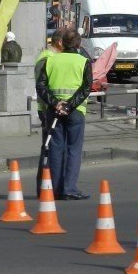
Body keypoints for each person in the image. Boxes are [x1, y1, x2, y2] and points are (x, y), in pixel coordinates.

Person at [35, 28, 93, 201]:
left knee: (55, 149)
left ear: (63, 43)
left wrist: (55, 103)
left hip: (54, 111)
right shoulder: (83, 62)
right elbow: (87, 87)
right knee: (73, 150)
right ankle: (69, 188)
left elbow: (41, 86)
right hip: (75, 112)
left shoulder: (51, 60)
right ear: (78, 43)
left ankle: (54, 188)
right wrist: (70, 105)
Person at [33, 31, 64, 195]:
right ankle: (43, 187)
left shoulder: (49, 57)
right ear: (59, 42)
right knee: (48, 148)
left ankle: (46, 185)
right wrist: (46, 109)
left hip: (47, 108)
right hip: (46, 109)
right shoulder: (47, 58)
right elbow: (42, 87)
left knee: (49, 147)